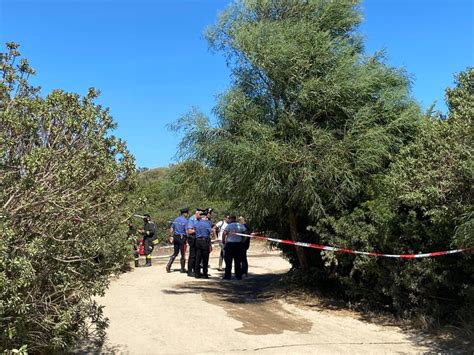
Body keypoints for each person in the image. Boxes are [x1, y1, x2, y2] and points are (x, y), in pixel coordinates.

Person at [222, 215, 247, 280]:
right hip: (238, 244)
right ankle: (238, 276)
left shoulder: (229, 225)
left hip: (230, 244)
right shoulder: (240, 225)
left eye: (229, 219)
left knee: (228, 262)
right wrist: (243, 240)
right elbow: (246, 233)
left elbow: (224, 233)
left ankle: (227, 276)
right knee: (238, 261)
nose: (228, 220)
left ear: (231, 219)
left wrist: (223, 241)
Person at [166, 208, 189, 273]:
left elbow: (171, 228)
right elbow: (186, 231)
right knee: (183, 253)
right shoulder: (185, 221)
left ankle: (169, 265)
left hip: (175, 237)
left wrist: (171, 236)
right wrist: (188, 237)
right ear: (185, 213)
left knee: (175, 253)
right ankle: (182, 268)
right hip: (182, 238)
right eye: (187, 213)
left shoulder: (176, 219)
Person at [194, 210, 213, 278]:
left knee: (198, 258)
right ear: (205, 217)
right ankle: (205, 273)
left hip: (198, 241)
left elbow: (195, 230)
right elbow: (210, 233)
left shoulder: (197, 224)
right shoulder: (207, 224)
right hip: (205, 241)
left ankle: (197, 273)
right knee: (205, 258)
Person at [186, 208, 203, 277]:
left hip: (198, 239)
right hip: (192, 239)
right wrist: (198, 230)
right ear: (197, 213)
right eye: (200, 215)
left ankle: (196, 270)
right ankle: (190, 271)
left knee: (198, 255)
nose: (201, 216)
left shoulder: (200, 220)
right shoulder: (191, 219)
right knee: (192, 255)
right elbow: (189, 231)